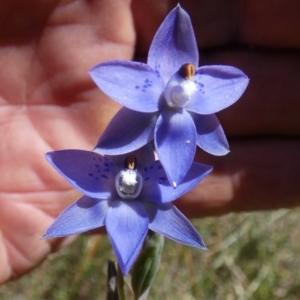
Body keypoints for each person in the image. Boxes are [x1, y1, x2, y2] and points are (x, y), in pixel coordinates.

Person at [0, 0, 299, 284]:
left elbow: (230, 93)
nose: (184, 80)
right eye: (181, 75)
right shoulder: (137, 112)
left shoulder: (190, 116)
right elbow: (108, 90)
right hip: (120, 186)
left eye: (189, 79)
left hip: (161, 157)